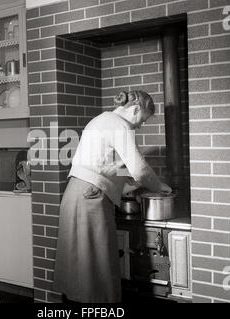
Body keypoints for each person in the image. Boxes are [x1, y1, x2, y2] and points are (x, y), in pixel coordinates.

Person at [53, 90, 172, 303]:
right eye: (142, 120)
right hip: (89, 198)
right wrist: (160, 186)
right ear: (135, 109)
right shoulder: (120, 125)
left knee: (81, 265)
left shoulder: (103, 120)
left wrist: (130, 186)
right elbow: (140, 169)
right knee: (95, 266)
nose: (140, 126)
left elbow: (112, 167)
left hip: (79, 194)